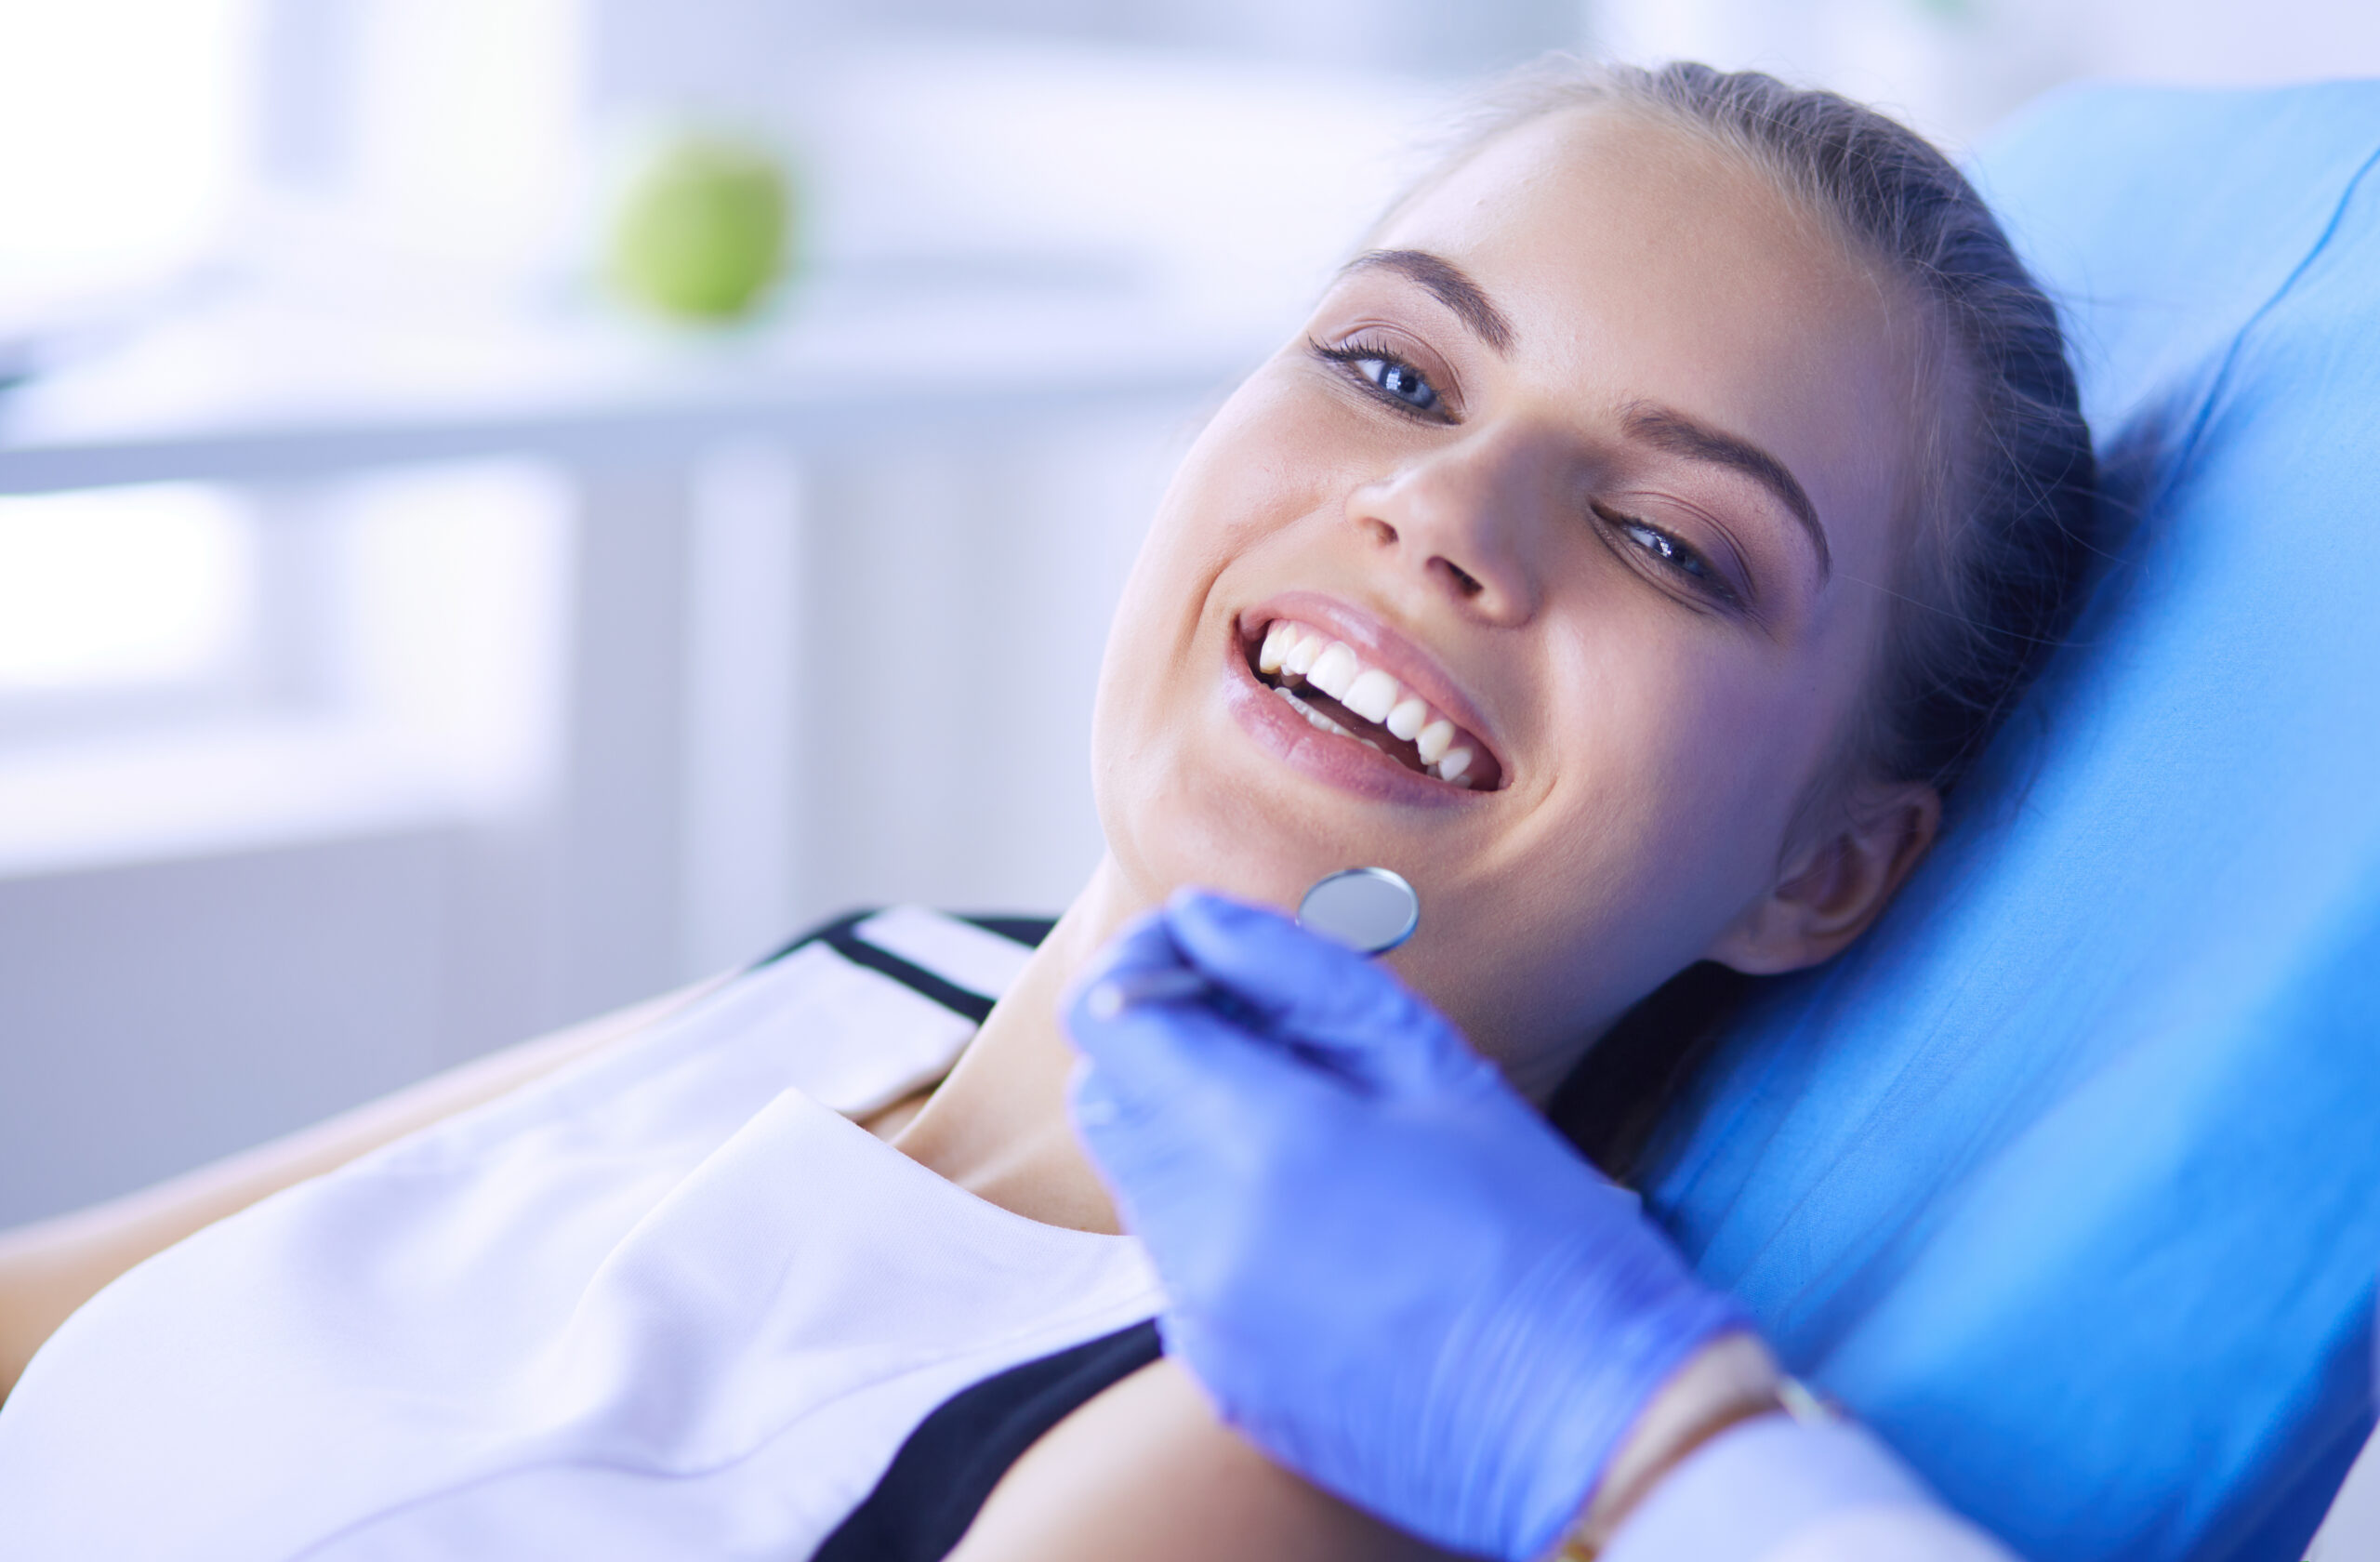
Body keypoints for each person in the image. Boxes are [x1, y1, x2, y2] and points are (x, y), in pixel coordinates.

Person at [0, 59, 2094, 1562]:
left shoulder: (1289, 1438)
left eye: (1662, 538)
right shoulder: (867, 979)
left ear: (1820, 867)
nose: (1439, 510)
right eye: (1390, 370)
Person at [1066, 888, 2023, 1561]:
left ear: (1819, 873)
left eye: (1690, 582)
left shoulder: (1322, 1429)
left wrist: (1664, 1443)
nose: (1442, 581)